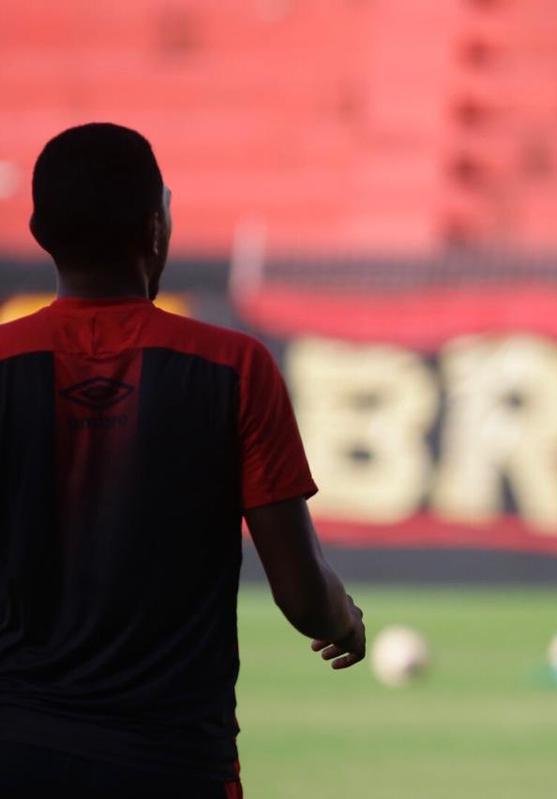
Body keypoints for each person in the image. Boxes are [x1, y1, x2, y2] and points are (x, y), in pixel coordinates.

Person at [0, 123, 366, 797]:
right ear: (154, 229)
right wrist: (343, 619)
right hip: (174, 761)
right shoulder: (234, 366)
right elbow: (299, 589)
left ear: (39, 229)